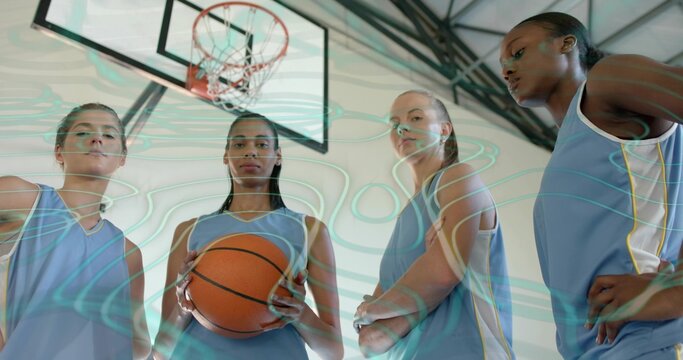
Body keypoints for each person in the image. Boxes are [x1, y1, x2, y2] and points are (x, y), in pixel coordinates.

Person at [499, 11, 683, 359]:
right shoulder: (569, 148)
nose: (506, 70)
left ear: (567, 43)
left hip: (649, 343)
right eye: (502, 65)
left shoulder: (607, 81)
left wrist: (677, 291)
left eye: (517, 52)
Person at [152, 113, 343, 360]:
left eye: (262, 144)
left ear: (278, 155)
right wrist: (184, 308)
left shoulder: (310, 230)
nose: (250, 151)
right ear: (226, 155)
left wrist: (301, 314)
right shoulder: (188, 231)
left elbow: (334, 352)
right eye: (239, 144)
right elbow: (160, 351)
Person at [353, 90, 514, 359]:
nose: (402, 127)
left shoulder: (458, 177)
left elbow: (441, 275)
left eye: (415, 117)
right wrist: (423, 292)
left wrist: (377, 308)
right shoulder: (406, 216)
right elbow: (370, 342)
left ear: (444, 130)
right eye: (394, 123)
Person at [0, 103, 150, 359]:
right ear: (60, 152)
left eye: (110, 135)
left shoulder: (128, 253)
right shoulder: (19, 198)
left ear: (122, 157)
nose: (97, 139)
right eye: (82, 133)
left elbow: (140, 345)